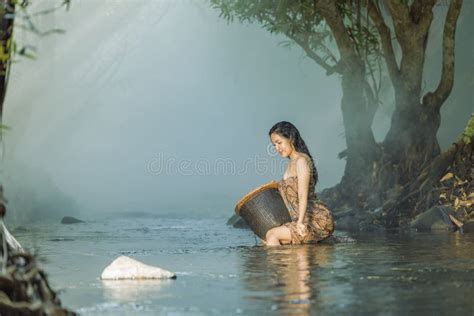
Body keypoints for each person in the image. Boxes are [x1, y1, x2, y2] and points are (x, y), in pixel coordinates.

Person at [265, 121, 334, 246]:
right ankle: (290, 265)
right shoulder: (290, 163)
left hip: (316, 219)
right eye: (274, 145)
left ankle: (282, 265)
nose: (277, 148)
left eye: (279, 143)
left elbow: (302, 194)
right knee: (265, 241)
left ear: (290, 138)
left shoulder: (301, 161)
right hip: (300, 218)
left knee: (272, 234)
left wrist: (300, 222)